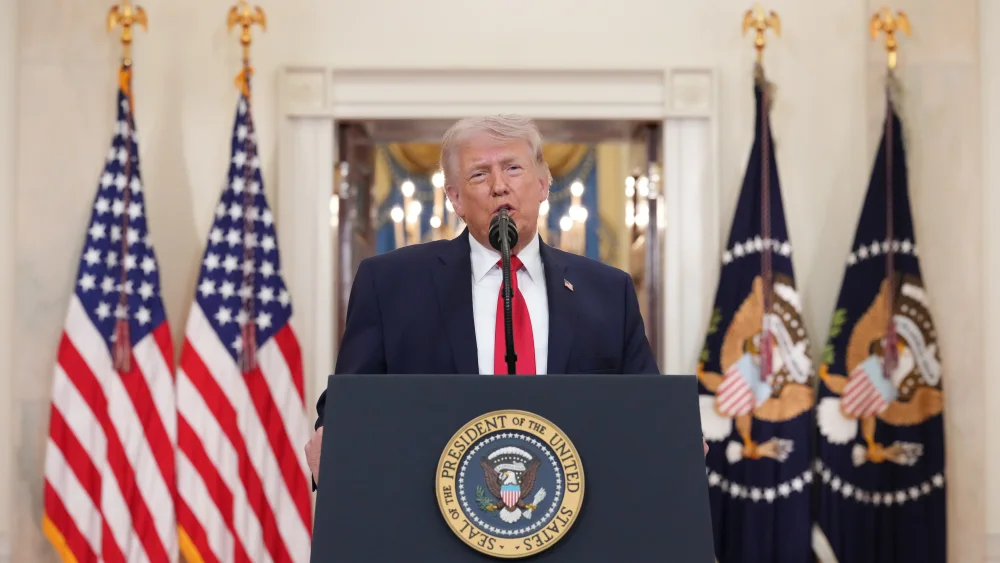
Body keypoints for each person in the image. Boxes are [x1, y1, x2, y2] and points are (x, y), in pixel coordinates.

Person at [304, 115, 699, 484]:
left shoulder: (608, 291)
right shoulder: (391, 283)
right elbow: (350, 400)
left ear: (544, 184)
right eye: (479, 174)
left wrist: (673, 437)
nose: (499, 185)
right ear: (455, 199)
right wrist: (331, 433)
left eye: (513, 168)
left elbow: (645, 405)